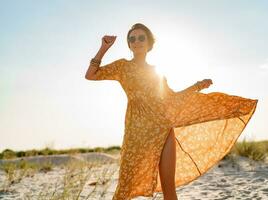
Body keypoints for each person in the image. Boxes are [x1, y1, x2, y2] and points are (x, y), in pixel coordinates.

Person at [85, 23, 258, 200]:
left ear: (149, 43)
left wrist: (197, 86)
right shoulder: (122, 67)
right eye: (132, 39)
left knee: (169, 188)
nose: (136, 41)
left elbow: (171, 100)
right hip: (136, 132)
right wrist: (103, 48)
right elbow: (91, 75)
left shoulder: (157, 73)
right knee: (125, 187)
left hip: (163, 128)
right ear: (129, 44)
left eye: (141, 38)